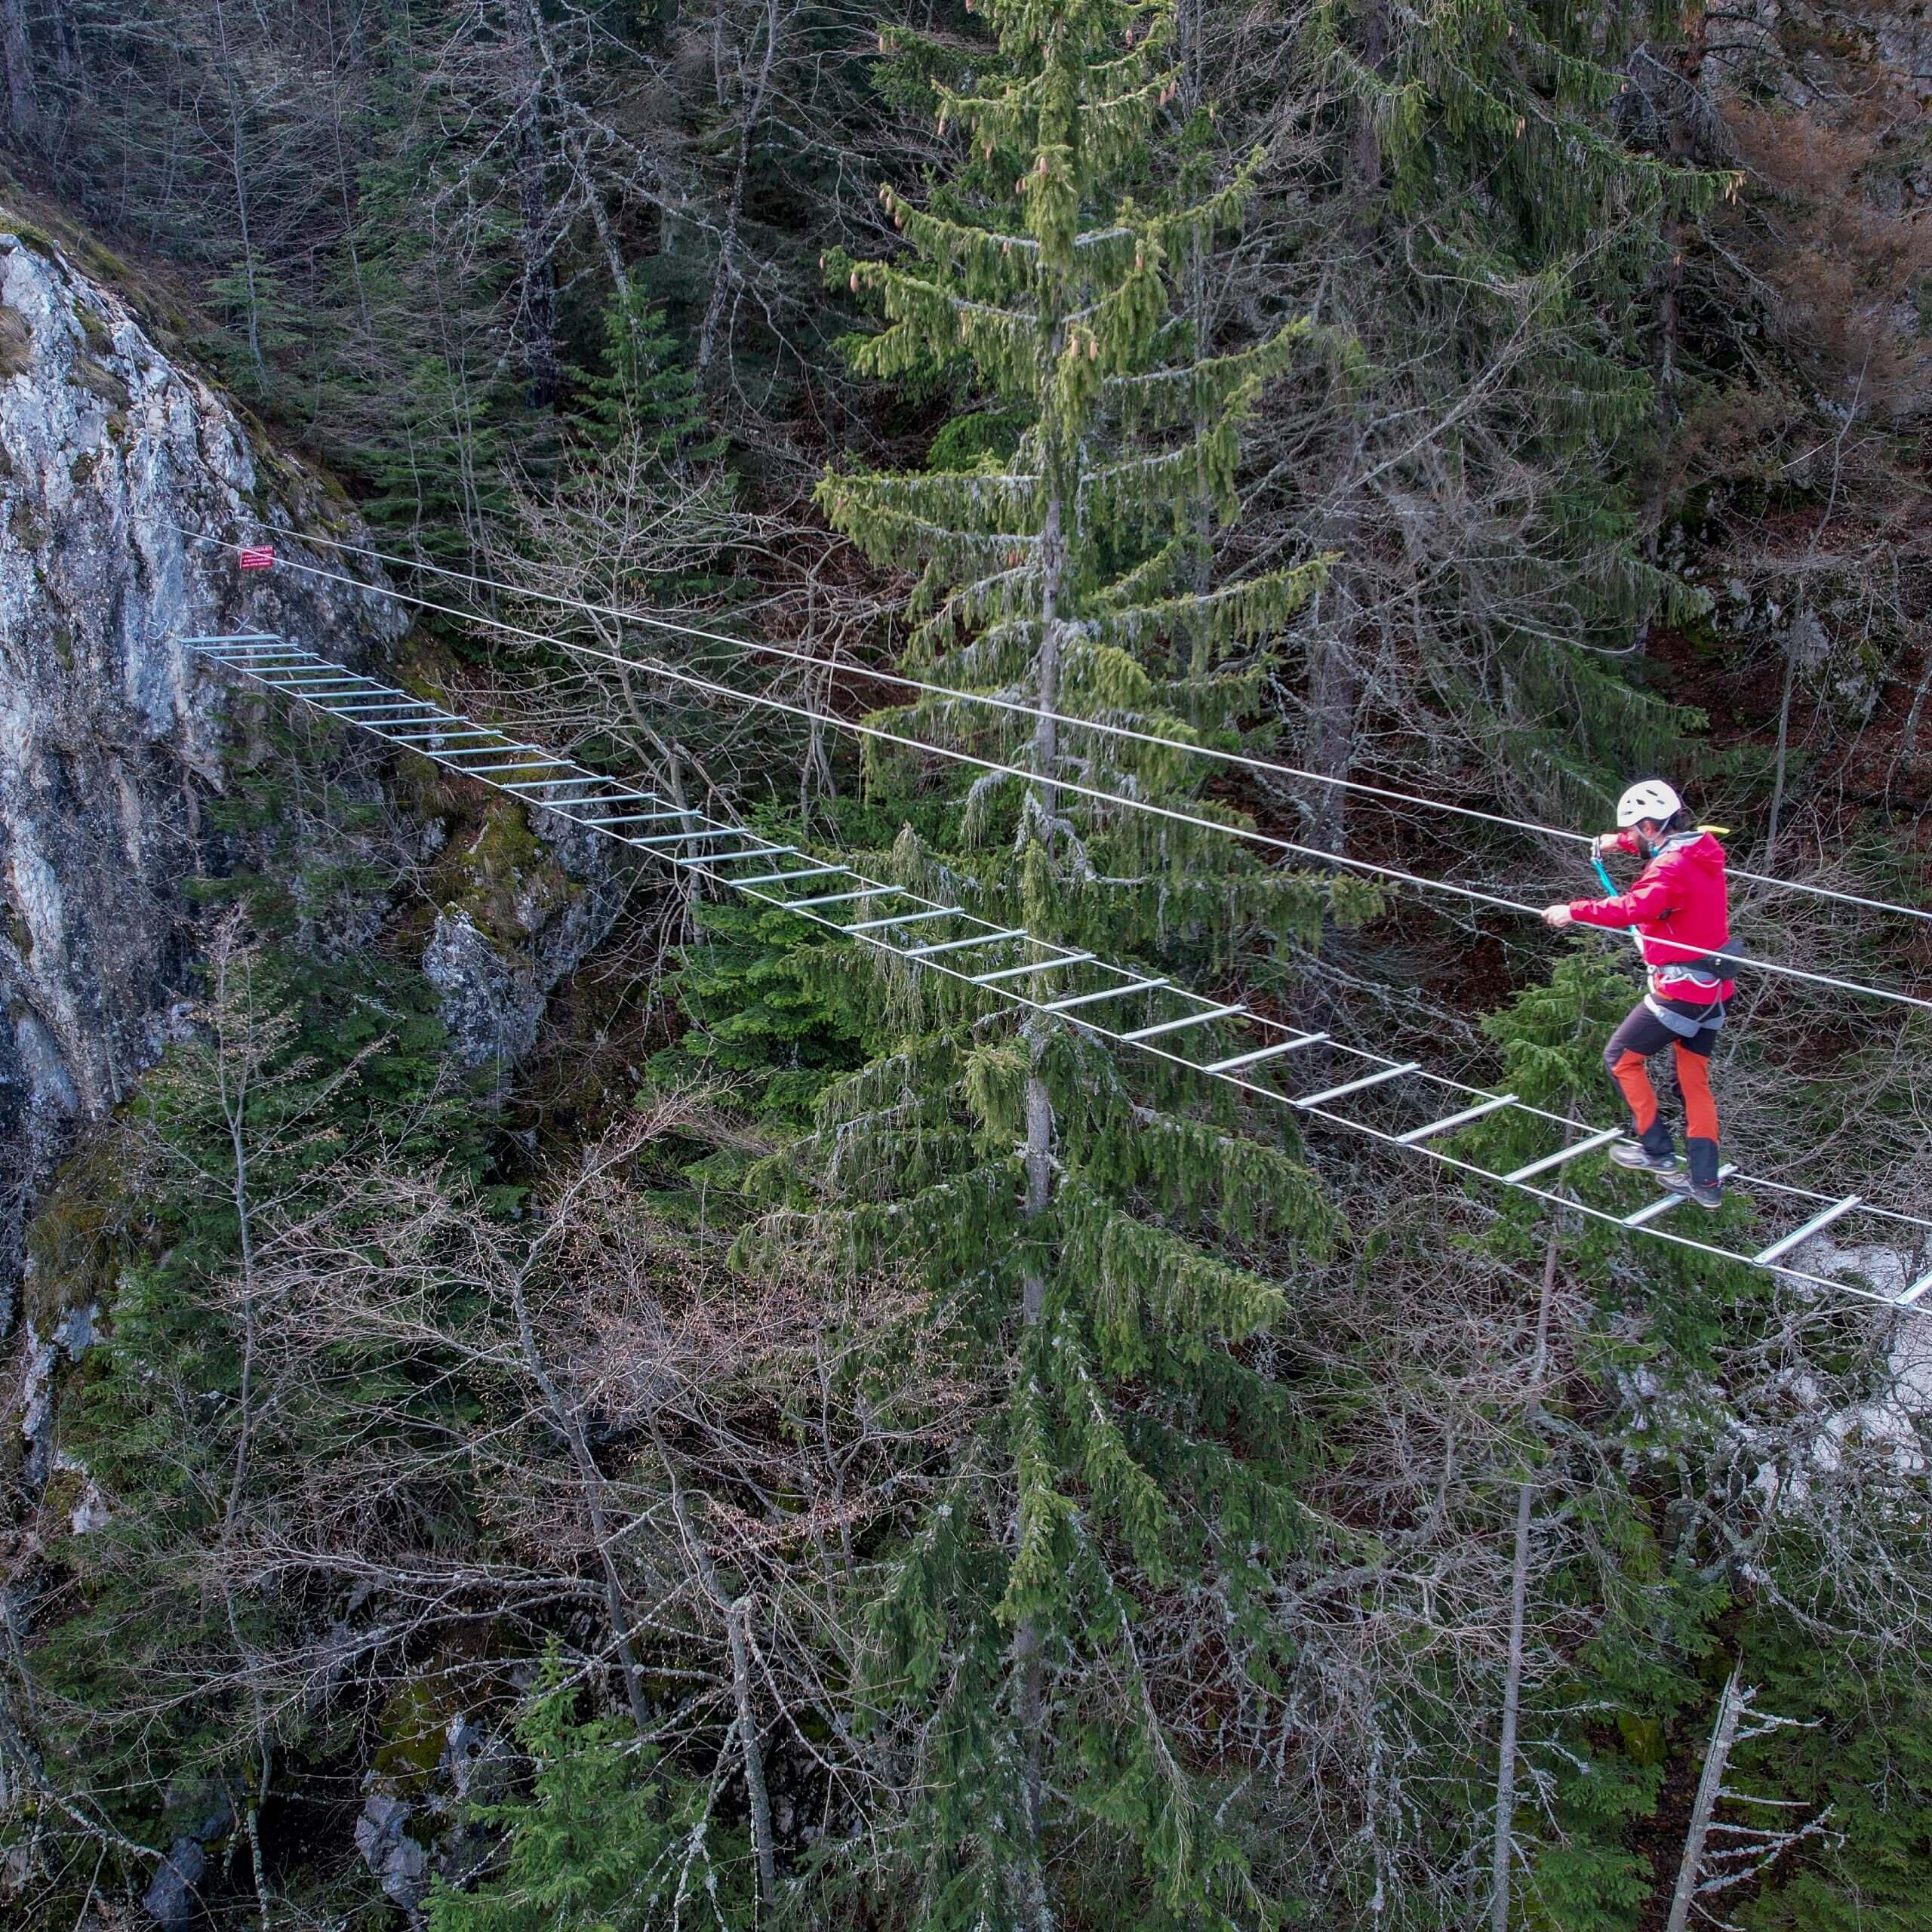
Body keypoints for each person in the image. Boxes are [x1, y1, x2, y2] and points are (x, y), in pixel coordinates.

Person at [1542, 780, 1734, 1209]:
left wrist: (1573, 910)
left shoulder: (1669, 870)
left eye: (1634, 831)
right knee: (1693, 1083)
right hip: (1717, 989)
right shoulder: (1701, 850)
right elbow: (1663, 853)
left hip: (1682, 990)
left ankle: (1656, 1152)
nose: (1631, 837)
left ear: (1650, 825)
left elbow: (1637, 906)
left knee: (1621, 1059)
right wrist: (1620, 844)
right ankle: (1705, 1183)